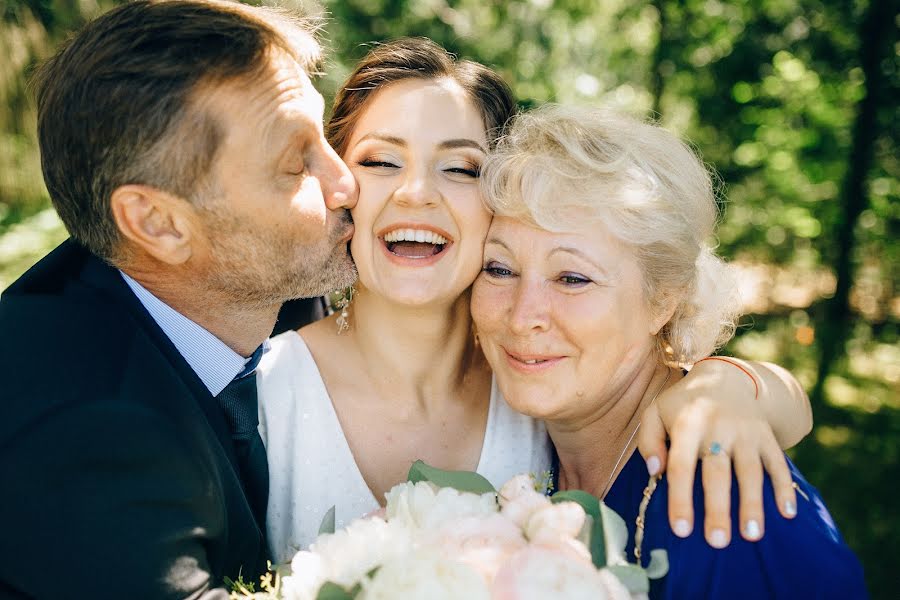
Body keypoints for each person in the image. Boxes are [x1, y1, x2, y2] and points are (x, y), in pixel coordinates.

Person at [258, 38, 814, 561]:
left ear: (498, 200)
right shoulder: (257, 396)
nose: (417, 192)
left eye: (460, 167)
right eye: (381, 161)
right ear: (337, 182)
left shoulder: (539, 380)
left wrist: (734, 383)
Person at [0, 1, 354, 597]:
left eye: (325, 137)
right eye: (296, 166)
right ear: (159, 224)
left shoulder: (275, 287)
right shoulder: (80, 435)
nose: (345, 180)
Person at [471, 104, 867, 597]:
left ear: (663, 299)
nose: (521, 314)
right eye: (499, 269)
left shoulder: (727, 506)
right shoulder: (506, 449)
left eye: (572, 278)